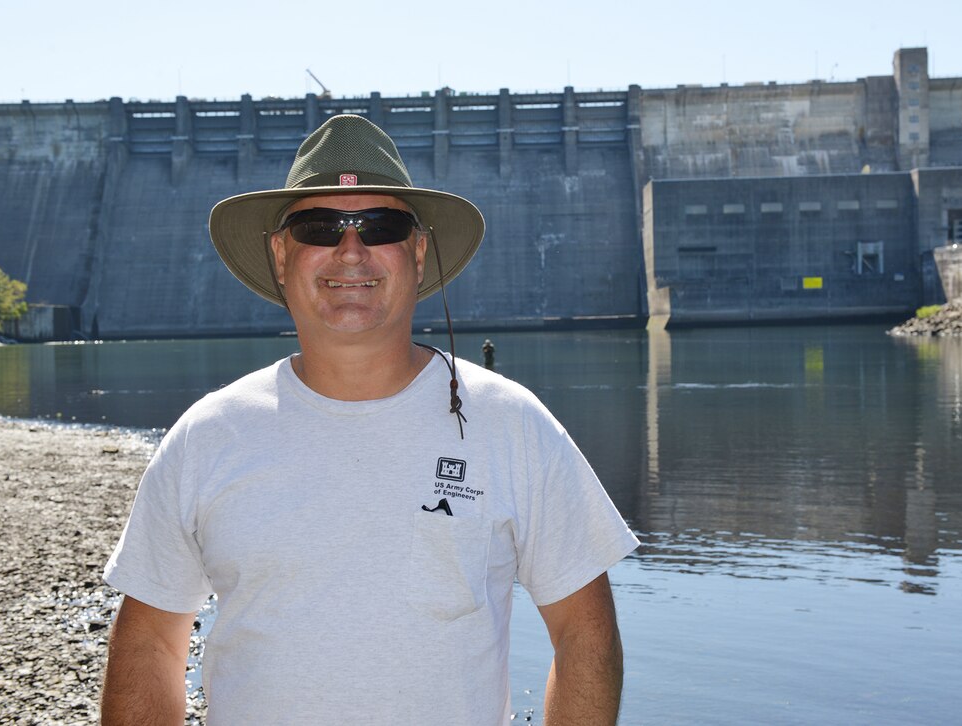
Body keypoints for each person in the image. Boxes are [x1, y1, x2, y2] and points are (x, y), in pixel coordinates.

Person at [101, 114, 638, 725]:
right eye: (319, 227)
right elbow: (151, 641)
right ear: (281, 255)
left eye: (379, 226)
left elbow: (584, 631)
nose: (350, 251)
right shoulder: (207, 436)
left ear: (417, 250)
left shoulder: (513, 424)